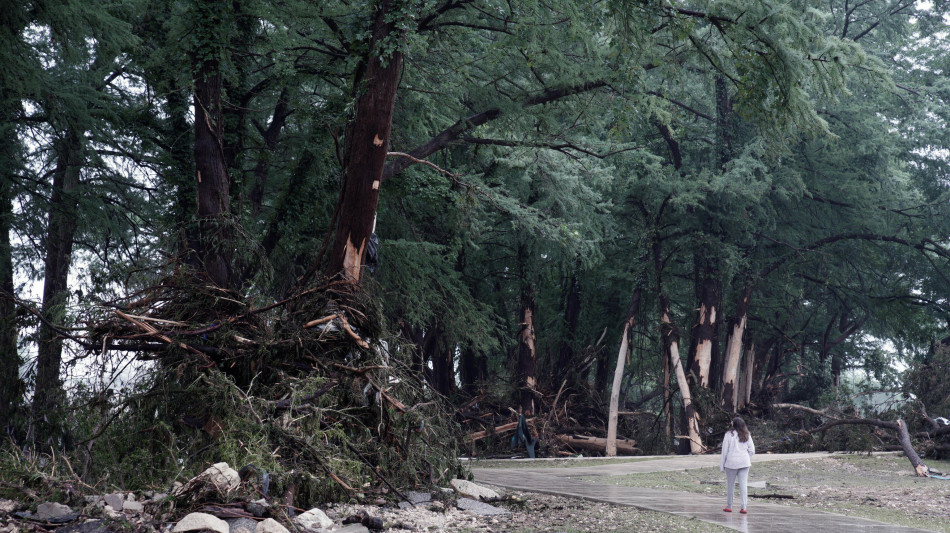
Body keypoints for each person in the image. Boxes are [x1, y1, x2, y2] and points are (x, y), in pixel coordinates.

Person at [719, 416, 755, 514]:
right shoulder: (747, 434)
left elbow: (724, 451)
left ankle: (729, 506)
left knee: (730, 485)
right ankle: (744, 507)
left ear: (733, 425)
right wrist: (747, 458)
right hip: (744, 463)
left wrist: (722, 465)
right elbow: (752, 450)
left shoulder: (728, 435)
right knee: (743, 485)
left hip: (731, 463)